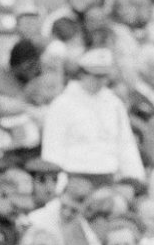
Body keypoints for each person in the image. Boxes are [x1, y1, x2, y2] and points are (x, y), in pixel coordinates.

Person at [40, 48, 146, 185]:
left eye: (104, 76)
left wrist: (135, 177)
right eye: (95, 76)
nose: (100, 81)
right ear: (82, 74)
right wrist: (56, 184)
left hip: (108, 174)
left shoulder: (114, 104)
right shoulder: (62, 104)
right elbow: (53, 148)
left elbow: (125, 143)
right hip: (74, 175)